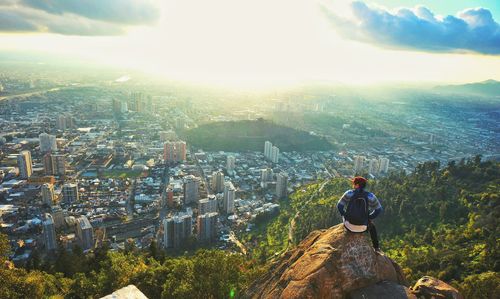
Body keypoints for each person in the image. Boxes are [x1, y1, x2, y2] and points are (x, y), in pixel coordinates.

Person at [337, 176, 383, 251]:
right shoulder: (370, 196)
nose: (353, 185)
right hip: (363, 228)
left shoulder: (349, 193)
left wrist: (345, 215)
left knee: (345, 217)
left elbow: (339, 206)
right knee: (373, 227)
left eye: (354, 183)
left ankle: (348, 223)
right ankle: (376, 247)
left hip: (348, 226)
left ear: (357, 185)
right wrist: (369, 218)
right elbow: (379, 210)